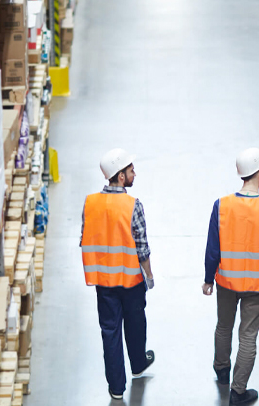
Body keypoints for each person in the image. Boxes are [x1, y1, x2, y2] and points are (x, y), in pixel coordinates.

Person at [202, 147, 259, 406]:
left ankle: (221, 369)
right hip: (257, 285)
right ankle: (238, 391)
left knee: (224, 326)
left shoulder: (222, 206)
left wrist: (208, 279)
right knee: (248, 336)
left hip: (227, 281)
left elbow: (212, 249)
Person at [80, 148, 156, 400]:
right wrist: (150, 275)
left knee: (110, 331)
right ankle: (137, 363)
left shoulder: (91, 203)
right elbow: (142, 247)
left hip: (103, 281)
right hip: (131, 281)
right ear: (121, 176)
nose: (135, 173)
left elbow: (86, 238)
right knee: (136, 324)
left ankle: (116, 387)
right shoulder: (132, 205)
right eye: (131, 170)